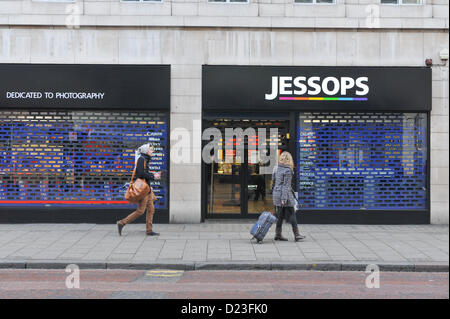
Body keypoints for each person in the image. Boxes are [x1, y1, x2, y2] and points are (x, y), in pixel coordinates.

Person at [117, 143, 161, 236]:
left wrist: (152, 175)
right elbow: (140, 173)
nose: (152, 151)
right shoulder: (142, 159)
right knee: (140, 211)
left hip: (147, 189)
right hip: (143, 190)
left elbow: (144, 173)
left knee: (151, 209)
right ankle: (122, 223)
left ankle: (149, 230)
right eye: (151, 150)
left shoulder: (145, 159)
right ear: (146, 151)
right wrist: (153, 176)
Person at [272, 151, 305, 242]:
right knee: (292, 213)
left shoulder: (276, 168)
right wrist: (284, 198)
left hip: (276, 193)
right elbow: (286, 186)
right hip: (284, 195)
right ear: (290, 160)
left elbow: (273, 180)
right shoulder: (288, 170)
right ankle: (297, 234)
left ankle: (278, 234)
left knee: (280, 214)